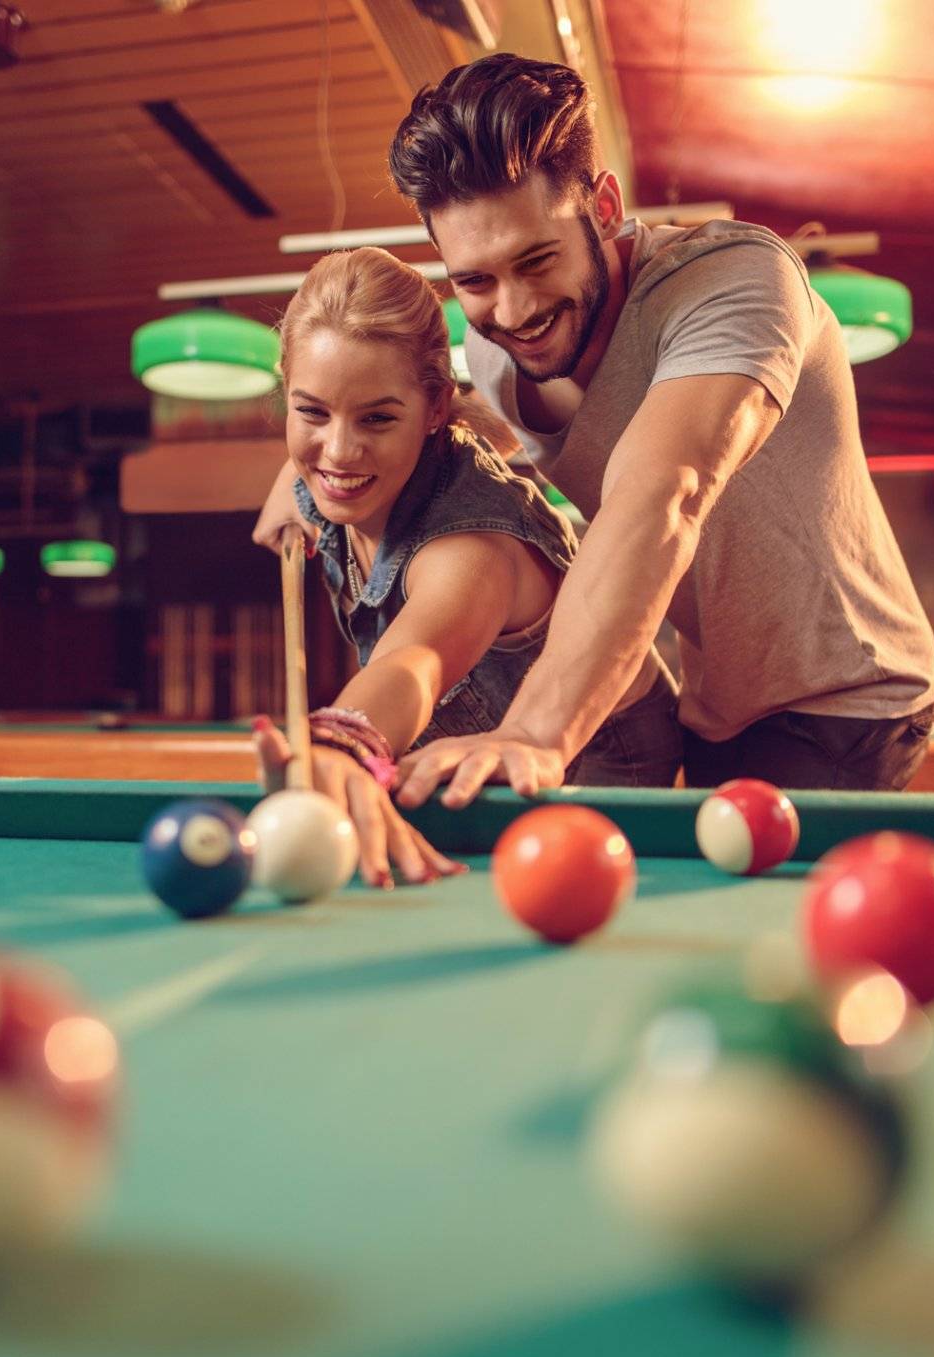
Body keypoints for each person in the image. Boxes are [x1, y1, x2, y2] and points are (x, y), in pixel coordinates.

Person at [257, 54, 934, 808]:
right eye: (475, 280)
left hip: (843, 695)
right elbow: (448, 428)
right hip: (711, 703)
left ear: (605, 207)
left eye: (537, 259)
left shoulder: (735, 282)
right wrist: (319, 463)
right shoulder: (491, 353)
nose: (513, 311)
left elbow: (662, 495)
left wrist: (535, 733)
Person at [250, 246, 680, 888]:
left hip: (601, 765)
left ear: (434, 411)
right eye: (311, 411)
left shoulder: (472, 546)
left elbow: (412, 662)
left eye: (377, 418)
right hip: (465, 742)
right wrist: (292, 484)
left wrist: (341, 739)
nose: (337, 450)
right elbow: (316, 457)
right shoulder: (333, 478)